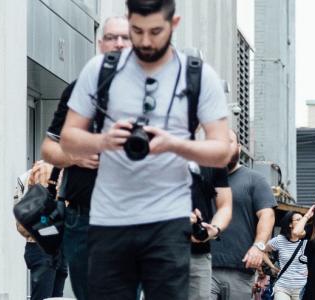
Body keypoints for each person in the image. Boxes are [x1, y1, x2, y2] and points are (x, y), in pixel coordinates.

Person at [58, 0, 235, 297]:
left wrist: (174, 144)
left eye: (155, 31)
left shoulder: (198, 76)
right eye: (137, 31)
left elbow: (222, 151)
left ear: (173, 24)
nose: (145, 41)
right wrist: (103, 140)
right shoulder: (101, 70)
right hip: (109, 219)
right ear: (129, 22)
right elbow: (67, 138)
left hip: (167, 220)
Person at [40, 15, 130, 299]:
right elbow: (49, 149)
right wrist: (75, 156)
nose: (118, 43)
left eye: (125, 38)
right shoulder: (78, 90)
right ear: (100, 43)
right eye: (112, 37)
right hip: (84, 216)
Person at [213, 130, 279, 299]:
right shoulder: (203, 179)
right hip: (204, 268)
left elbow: (267, 215)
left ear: (239, 147)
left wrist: (258, 246)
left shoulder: (255, 180)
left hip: (240, 270)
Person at [15, 161, 68, 300]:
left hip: (55, 246)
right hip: (44, 247)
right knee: (44, 297)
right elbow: (41, 212)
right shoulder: (46, 168)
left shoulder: (65, 168)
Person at [187, 158, 234, 300]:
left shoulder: (213, 159)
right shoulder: (152, 152)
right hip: (159, 251)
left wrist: (214, 229)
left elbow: (225, 205)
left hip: (199, 253)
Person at [265, 211, 308, 300]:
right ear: (290, 224)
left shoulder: (307, 241)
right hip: (282, 287)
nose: (302, 222)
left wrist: (311, 269)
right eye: (298, 219)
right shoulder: (280, 240)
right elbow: (262, 251)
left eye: (302, 219)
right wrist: (272, 266)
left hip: (301, 289)